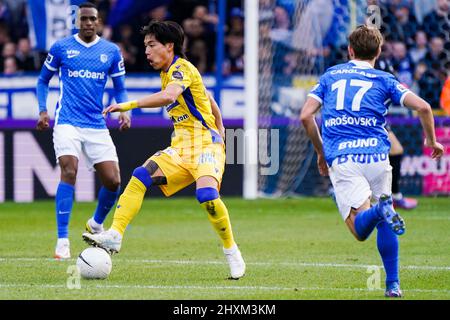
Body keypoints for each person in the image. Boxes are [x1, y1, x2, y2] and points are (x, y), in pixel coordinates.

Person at [82, 20, 246, 279]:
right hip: (180, 148)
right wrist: (221, 122)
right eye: (145, 45)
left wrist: (128, 105)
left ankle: (231, 250)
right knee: (140, 176)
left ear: (169, 46)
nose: (146, 51)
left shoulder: (182, 69)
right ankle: (114, 235)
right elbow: (208, 97)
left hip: (205, 145)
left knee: (206, 196)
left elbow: (169, 97)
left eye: (151, 45)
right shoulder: (168, 72)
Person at [300, 25, 444, 297]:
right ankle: (393, 285)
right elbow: (424, 107)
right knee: (384, 219)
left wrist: (321, 151)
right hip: (378, 156)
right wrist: (431, 141)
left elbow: (306, 116)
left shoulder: (331, 75)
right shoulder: (385, 79)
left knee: (359, 230)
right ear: (378, 51)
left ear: (350, 50)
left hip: (344, 158)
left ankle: (381, 210)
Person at [36, 2, 131, 259]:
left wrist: (124, 109)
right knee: (69, 169)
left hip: (96, 124)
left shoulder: (110, 51)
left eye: (92, 19)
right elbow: (43, 79)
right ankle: (62, 241)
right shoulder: (62, 48)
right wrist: (43, 110)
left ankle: (96, 224)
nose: (88, 23)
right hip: (67, 120)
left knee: (113, 181)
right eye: (84, 19)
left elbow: (120, 87)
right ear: (77, 21)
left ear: (98, 22)